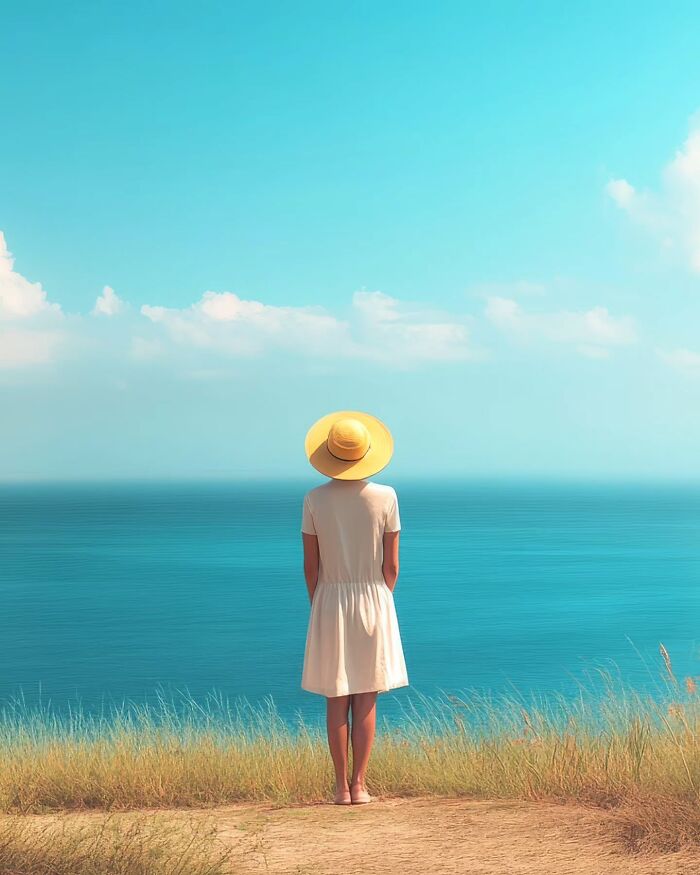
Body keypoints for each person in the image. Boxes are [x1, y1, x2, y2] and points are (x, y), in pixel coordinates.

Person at [300, 410, 409, 805]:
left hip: (329, 599)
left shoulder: (314, 499)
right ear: (366, 453)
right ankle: (361, 786)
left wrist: (322, 602)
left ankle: (339, 787)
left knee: (336, 696)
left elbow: (311, 566)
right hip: (373, 597)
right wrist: (381, 597)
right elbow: (392, 565)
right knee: (366, 695)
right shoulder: (386, 497)